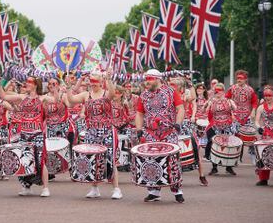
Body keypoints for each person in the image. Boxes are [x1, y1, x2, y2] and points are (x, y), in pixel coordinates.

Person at [67, 70, 123, 199]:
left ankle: (116, 189)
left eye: (95, 81)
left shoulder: (106, 93)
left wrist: (108, 79)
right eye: (91, 81)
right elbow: (71, 100)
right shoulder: (86, 95)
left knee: (110, 159)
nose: (92, 84)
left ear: (101, 82)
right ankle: (94, 187)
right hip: (91, 131)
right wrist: (69, 86)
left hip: (107, 130)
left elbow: (113, 94)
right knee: (92, 159)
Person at [0, 76, 57, 197]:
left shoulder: (42, 98)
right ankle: (26, 186)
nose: (27, 84)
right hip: (24, 133)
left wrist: (55, 88)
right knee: (24, 161)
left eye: (30, 82)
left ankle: (45, 188)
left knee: (40, 161)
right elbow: (4, 97)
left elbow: (55, 100)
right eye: (27, 82)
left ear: (35, 85)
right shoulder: (22, 97)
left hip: (37, 134)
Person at [135, 69, 185, 203]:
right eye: (146, 79)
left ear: (158, 79)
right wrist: (139, 129)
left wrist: (178, 123)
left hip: (169, 132)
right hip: (151, 133)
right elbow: (139, 113)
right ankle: (154, 192)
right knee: (151, 161)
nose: (147, 82)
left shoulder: (171, 92)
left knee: (172, 161)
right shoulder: (144, 95)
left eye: (149, 79)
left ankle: (177, 191)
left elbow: (180, 108)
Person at [205, 83, 238, 175]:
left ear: (223, 91)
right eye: (216, 90)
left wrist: (232, 105)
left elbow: (235, 109)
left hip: (227, 125)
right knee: (213, 144)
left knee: (229, 145)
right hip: (215, 125)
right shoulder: (211, 101)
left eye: (220, 90)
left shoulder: (228, 101)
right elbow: (205, 111)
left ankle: (229, 167)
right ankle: (214, 167)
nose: (218, 92)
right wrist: (208, 103)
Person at [254, 85, 273, 186]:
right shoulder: (261, 107)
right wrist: (259, 127)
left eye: (270, 96)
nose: (268, 98)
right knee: (263, 154)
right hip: (266, 134)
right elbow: (256, 121)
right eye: (266, 95)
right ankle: (263, 179)